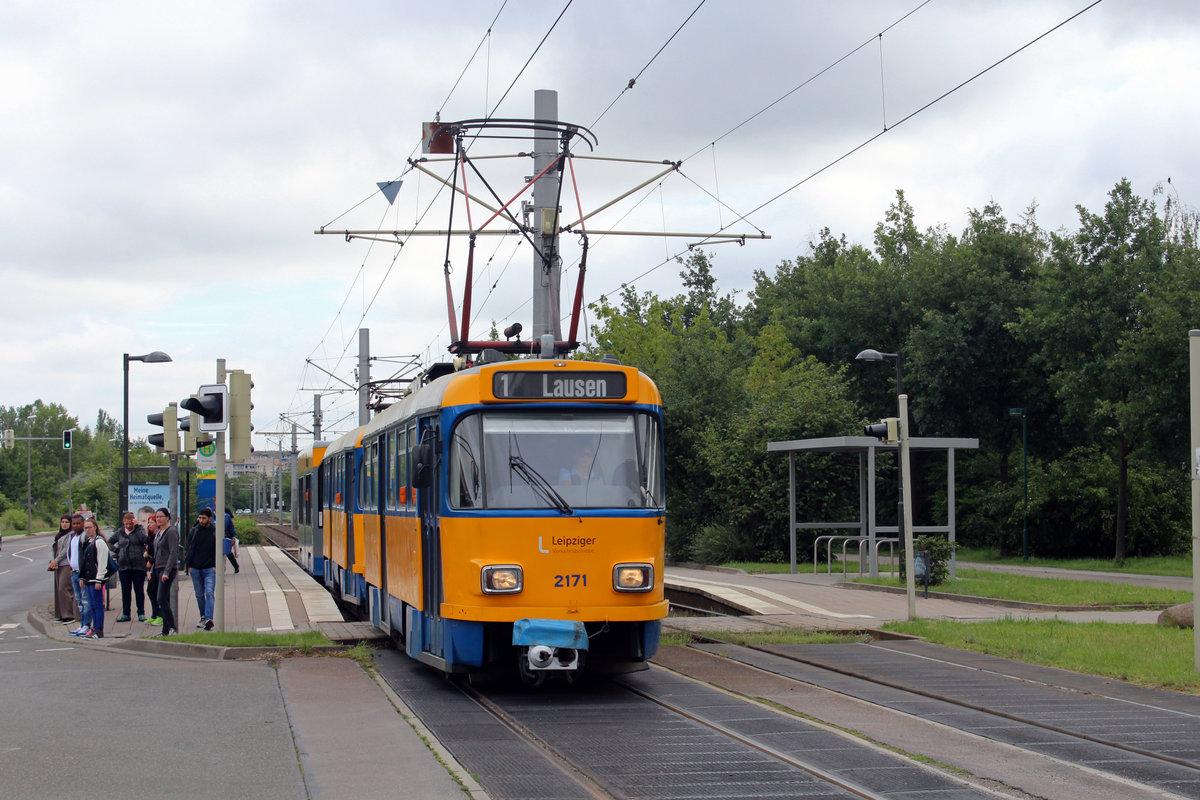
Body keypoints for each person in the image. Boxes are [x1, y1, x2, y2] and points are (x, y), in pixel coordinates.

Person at [110, 512, 150, 622]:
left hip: (138, 565)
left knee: (139, 590)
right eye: (126, 524)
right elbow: (109, 542)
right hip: (124, 565)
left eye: (130, 524)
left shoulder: (139, 530)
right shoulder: (120, 532)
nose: (128, 526)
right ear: (123, 522)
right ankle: (126, 613)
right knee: (125, 590)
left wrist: (137, 527)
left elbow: (145, 540)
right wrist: (117, 551)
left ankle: (141, 612)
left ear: (134, 521)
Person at [76, 518, 109, 639]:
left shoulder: (99, 542)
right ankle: (94, 628)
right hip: (88, 579)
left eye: (89, 527)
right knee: (92, 604)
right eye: (85, 528)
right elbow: (85, 563)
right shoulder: (88, 542)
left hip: (96, 579)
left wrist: (99, 579)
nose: (87, 530)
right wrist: (82, 577)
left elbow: (102, 562)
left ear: (95, 527)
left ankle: (99, 629)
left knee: (97, 605)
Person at [185, 507, 217, 630]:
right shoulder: (194, 531)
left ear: (210, 518)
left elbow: (218, 549)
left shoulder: (214, 531)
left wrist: (215, 565)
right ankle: (203, 616)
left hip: (210, 568)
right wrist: (189, 566)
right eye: (200, 518)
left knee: (209, 592)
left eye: (203, 518)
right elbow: (188, 547)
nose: (201, 520)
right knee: (199, 594)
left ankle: (209, 618)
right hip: (195, 568)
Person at [151, 508, 179, 637]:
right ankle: (165, 630)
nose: (158, 519)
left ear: (168, 517)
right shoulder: (158, 532)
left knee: (161, 598)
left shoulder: (171, 531)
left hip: (167, 569)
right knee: (164, 599)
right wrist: (152, 569)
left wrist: (167, 571)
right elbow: (156, 552)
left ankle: (173, 627)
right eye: (157, 517)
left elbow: (173, 553)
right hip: (158, 568)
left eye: (161, 516)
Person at [50, 515, 77, 623]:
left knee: (64, 588)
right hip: (58, 565)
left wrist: (56, 560)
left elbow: (66, 550)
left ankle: (69, 614)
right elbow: (53, 549)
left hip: (66, 564)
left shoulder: (71, 535)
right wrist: (52, 561)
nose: (64, 524)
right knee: (58, 589)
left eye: (66, 522)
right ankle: (61, 614)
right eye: (62, 522)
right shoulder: (59, 536)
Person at [66, 515, 91, 635]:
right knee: (79, 601)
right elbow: (70, 553)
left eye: (78, 523)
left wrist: (84, 573)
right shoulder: (72, 537)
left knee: (85, 601)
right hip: (74, 573)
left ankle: (87, 625)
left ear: (83, 524)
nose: (75, 526)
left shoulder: (84, 537)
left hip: (82, 574)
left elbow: (86, 556)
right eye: (74, 524)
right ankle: (82, 624)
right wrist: (71, 566)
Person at [144, 511, 162, 625]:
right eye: (148, 523)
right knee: (151, 590)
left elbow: (158, 552)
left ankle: (160, 615)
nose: (149, 525)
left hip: (157, 566)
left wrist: (151, 560)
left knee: (156, 591)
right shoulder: (150, 537)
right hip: (151, 567)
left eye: (151, 522)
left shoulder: (159, 536)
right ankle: (154, 614)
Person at [223, 508, 240, 574]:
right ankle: (235, 566)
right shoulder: (214, 514)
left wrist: (233, 536)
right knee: (227, 552)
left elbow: (226, 526)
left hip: (226, 536)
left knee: (228, 552)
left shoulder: (226, 516)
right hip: (225, 536)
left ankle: (235, 566)